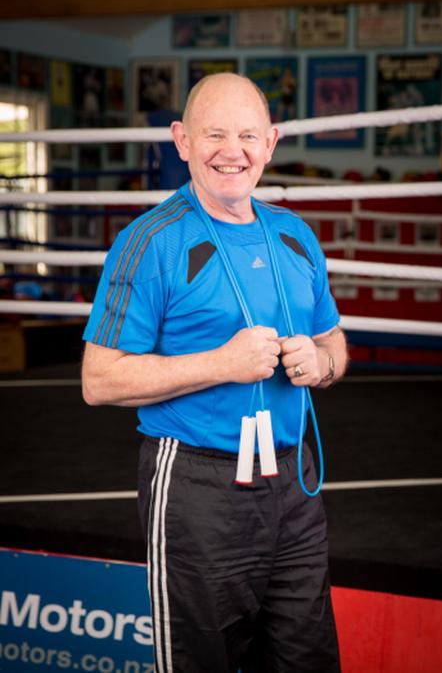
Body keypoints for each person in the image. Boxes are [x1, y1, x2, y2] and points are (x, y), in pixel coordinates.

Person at [82, 73, 348, 673]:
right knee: (205, 660)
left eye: (249, 135)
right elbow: (99, 380)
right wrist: (221, 364)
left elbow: (333, 339)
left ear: (271, 142)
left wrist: (324, 362)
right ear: (181, 140)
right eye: (215, 134)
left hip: (293, 480)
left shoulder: (295, 234)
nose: (234, 151)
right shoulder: (149, 242)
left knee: (307, 656)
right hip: (198, 484)